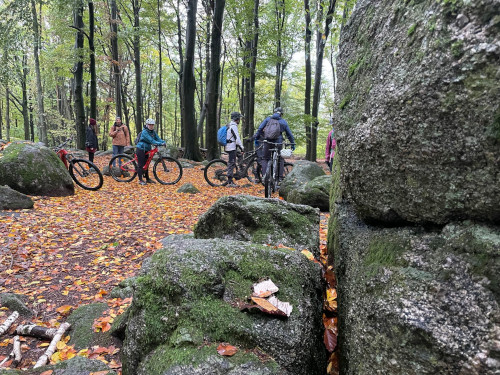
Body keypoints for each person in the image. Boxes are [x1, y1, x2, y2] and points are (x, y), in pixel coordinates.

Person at [254, 107, 295, 180]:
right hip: (278, 142)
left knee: (265, 158)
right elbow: (289, 134)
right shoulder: (283, 122)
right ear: (281, 114)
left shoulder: (268, 119)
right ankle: (279, 178)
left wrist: (256, 138)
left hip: (267, 141)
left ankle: (264, 176)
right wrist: (292, 143)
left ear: (274, 112)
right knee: (280, 159)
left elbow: (260, 129)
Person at [135, 118, 166, 185]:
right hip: (141, 149)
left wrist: (163, 142)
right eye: (150, 125)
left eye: (152, 125)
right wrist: (160, 144)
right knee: (141, 165)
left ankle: (147, 179)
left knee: (147, 164)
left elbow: (158, 139)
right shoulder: (144, 132)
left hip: (147, 149)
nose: (151, 126)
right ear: (147, 125)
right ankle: (140, 180)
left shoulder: (153, 132)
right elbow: (151, 140)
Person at [225, 112, 244, 187]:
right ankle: (230, 182)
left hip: (231, 146)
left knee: (239, 155)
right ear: (236, 119)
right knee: (231, 163)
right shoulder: (233, 126)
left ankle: (240, 171)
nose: (240, 120)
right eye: (239, 118)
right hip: (231, 147)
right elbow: (237, 139)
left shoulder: (230, 125)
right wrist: (242, 147)